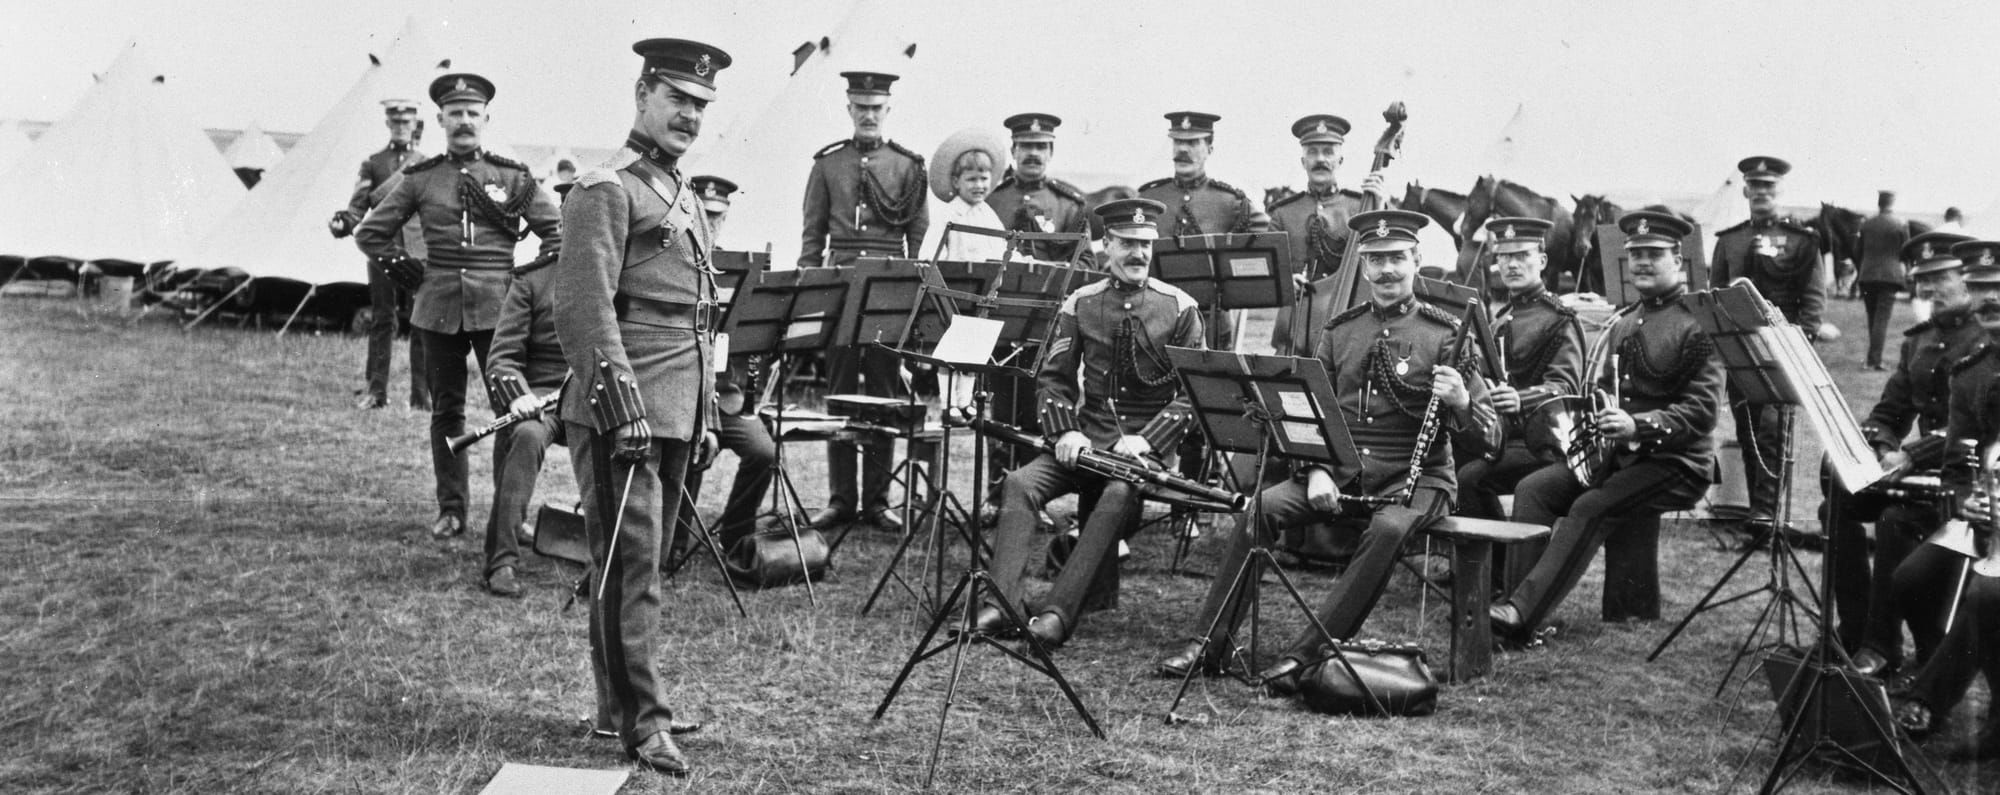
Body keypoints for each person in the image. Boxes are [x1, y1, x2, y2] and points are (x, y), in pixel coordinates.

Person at [1156, 209, 1496, 690]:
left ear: (1417, 259)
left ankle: (1306, 658)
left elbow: (1489, 437)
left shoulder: (1446, 335)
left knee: (1388, 528)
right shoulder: (1341, 330)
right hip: (1340, 468)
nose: (1387, 271)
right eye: (1376, 260)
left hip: (1416, 480)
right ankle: (1208, 643)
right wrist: (1315, 469)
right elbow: (1307, 409)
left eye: (1398, 258)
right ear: (1362, 265)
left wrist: (1461, 401)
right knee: (1262, 509)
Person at [550, 38, 729, 776]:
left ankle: (619, 707)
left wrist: (708, 412)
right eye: (677, 99)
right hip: (624, 408)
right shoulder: (605, 188)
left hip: (676, 406)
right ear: (642, 95)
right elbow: (584, 310)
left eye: (700, 105)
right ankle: (642, 723)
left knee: (640, 562)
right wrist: (623, 406)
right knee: (631, 570)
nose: (689, 115)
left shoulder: (679, 190)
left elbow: (699, 315)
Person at [974, 198, 1205, 649]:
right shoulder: (1080, 303)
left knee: (1118, 493)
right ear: (1106, 247)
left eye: (1145, 245)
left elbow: (1192, 396)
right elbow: (1053, 379)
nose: (1138, 254)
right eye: (1127, 244)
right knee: (1020, 483)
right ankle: (1001, 603)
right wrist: (1065, 430)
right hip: (1087, 441)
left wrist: (1147, 440)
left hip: (1147, 454)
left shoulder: (1180, 308)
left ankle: (1057, 614)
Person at [1489, 211, 1724, 642]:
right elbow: (1600, 390)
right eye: (1635, 256)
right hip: (1618, 458)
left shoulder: (1700, 324)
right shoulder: (1627, 319)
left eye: (1654, 254)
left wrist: (1638, 426)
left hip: (1676, 463)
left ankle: (1521, 613)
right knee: (1535, 489)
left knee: (1589, 506)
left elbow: (1702, 412)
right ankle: (1510, 595)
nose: (1643, 264)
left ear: (1679, 260)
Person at [355, 73, 562, 541]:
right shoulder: (421, 179)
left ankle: (509, 518)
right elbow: (370, 232)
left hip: (500, 312)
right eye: (455, 114)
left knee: (511, 411)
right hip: (438, 309)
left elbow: (559, 233)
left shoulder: (512, 177)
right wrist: (406, 269)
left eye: (472, 113)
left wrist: (525, 284)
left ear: (486, 119)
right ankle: (451, 510)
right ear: (441, 120)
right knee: (446, 412)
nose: (464, 121)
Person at [1830, 231, 1979, 677]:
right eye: (1921, 280)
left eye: (1941, 278)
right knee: (1836, 505)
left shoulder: (1988, 339)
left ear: (1968, 279)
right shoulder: (1917, 340)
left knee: (1896, 522)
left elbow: (1974, 426)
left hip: (1967, 479)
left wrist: (1912, 455)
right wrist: (1881, 447)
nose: (1928, 290)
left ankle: (1881, 646)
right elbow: (1890, 411)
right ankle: (1856, 630)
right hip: (1914, 475)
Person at [800, 70, 930, 533]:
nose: (869, 115)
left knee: (883, 392)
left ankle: (877, 502)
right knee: (838, 390)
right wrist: (812, 296)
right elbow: (812, 236)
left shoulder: (908, 166)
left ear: (888, 109)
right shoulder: (827, 164)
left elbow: (917, 237)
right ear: (849, 108)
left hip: (888, 286)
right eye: (861, 107)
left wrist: (911, 303)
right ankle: (841, 499)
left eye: (877, 107)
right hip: (839, 284)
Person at [1891, 239, 2000, 756]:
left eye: (1998, 289)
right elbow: (1960, 462)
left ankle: (1931, 702)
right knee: (1909, 578)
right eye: (1978, 290)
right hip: (1987, 523)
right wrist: (1970, 504)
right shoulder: (1972, 369)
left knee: (1986, 596)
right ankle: (1941, 673)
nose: (1988, 301)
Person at [1711, 157, 1824, 540]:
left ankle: (1766, 517)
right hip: (1740, 354)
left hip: (1781, 354)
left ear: (1780, 191)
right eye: (1754, 186)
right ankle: (1761, 513)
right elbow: (1715, 299)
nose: (1761, 193)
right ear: (1745, 191)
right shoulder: (1729, 240)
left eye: (1769, 187)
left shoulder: (1802, 241)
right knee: (1748, 434)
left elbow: (1812, 305)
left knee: (1774, 432)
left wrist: (1797, 348)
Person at [1455, 217, 1586, 520]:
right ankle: (1482, 560)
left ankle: (1499, 560)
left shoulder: (1560, 319)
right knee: (1450, 458)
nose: (1512, 265)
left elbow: (1565, 388)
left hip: (1544, 443)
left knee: (1470, 478)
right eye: (1504, 256)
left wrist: (1519, 399)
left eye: (1522, 255)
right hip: (1502, 435)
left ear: (1541, 261)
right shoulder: (1501, 318)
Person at [674, 174, 776, 555]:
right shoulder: (674, 260)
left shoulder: (738, 273)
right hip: (682, 392)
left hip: (726, 396)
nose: (711, 224)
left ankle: (736, 534)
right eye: (704, 214)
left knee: (765, 453)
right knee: (688, 450)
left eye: (718, 216)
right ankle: (674, 541)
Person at [333, 98, 430, 411]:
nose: (402, 127)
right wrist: (342, 223)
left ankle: (421, 396)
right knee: (382, 319)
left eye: (407, 122)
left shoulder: (427, 162)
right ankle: (376, 392)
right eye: (396, 122)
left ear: (415, 125)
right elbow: (357, 207)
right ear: (388, 124)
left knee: (422, 322)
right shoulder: (373, 163)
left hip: (417, 250)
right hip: (382, 248)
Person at [478, 256, 567, 597]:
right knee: (527, 436)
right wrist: (518, 395)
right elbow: (502, 357)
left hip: (596, 398)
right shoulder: (533, 280)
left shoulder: (621, 271)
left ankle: (617, 558)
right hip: (541, 397)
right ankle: (501, 561)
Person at [1265, 114, 1378, 353]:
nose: (1320, 159)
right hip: (1293, 330)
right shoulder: (1283, 213)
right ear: (1303, 160)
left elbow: (1381, 251)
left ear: (1340, 159)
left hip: (1346, 326)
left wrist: (1379, 204)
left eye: (1328, 151)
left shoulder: (1359, 207)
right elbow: (1266, 271)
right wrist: (1284, 280)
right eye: (1313, 152)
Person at [986, 112, 1092, 265]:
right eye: (1026, 146)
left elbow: (1087, 263)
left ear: (1051, 153)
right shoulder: (991, 201)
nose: (1033, 153)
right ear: (1013, 151)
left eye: (1041, 147)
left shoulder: (1070, 206)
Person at [919, 129, 1009, 262]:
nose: (979, 185)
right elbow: (930, 255)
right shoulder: (948, 215)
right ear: (956, 182)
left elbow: (1003, 249)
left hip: (990, 279)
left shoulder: (989, 215)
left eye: (983, 179)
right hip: (957, 280)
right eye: (971, 179)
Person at [1856, 190, 1913, 371]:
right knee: (1881, 320)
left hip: (1867, 275)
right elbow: (1907, 251)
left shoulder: (1866, 224)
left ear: (1879, 203)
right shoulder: (1900, 224)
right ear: (1892, 203)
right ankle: (1875, 360)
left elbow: (1858, 251)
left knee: (1873, 318)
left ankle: (1871, 358)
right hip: (1890, 277)